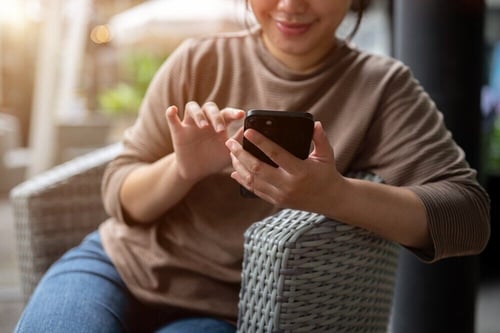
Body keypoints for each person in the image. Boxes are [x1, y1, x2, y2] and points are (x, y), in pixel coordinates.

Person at [15, 0, 490, 332]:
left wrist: (334, 196)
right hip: (113, 267)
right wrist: (182, 169)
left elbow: (468, 217)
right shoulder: (199, 59)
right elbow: (118, 195)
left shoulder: (381, 88)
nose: (290, 5)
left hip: (225, 308)